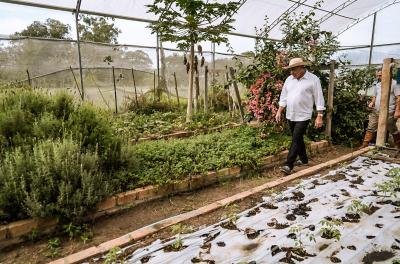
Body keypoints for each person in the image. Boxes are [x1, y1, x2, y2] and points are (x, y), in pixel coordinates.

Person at [275, 58, 325, 175]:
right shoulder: (289, 79)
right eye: (290, 69)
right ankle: (304, 159)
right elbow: (284, 97)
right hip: (290, 114)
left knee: (295, 138)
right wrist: (279, 111)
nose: (292, 72)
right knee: (297, 138)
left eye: (294, 69)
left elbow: (319, 98)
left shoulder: (313, 79)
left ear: (302, 67)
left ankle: (288, 164)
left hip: (304, 115)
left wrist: (319, 115)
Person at [360, 68, 400, 148]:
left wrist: (397, 110)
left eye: (380, 75)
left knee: (391, 128)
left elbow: (398, 98)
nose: (378, 77)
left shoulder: (395, 84)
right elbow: (374, 96)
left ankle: (398, 144)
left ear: (387, 74)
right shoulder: (378, 84)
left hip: (390, 111)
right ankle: (365, 144)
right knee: (371, 126)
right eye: (377, 76)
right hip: (376, 110)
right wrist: (372, 102)